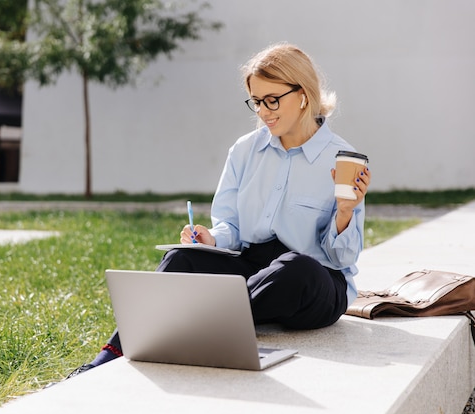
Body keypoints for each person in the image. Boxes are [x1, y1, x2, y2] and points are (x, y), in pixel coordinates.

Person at [67, 42, 371, 378]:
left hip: (314, 280)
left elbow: (342, 259)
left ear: (303, 94)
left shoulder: (342, 158)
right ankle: (110, 355)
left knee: (295, 268)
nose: (264, 112)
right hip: (253, 269)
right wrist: (211, 239)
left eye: (272, 100)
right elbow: (231, 226)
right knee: (183, 258)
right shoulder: (245, 151)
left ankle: (190, 326)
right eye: (256, 102)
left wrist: (345, 213)